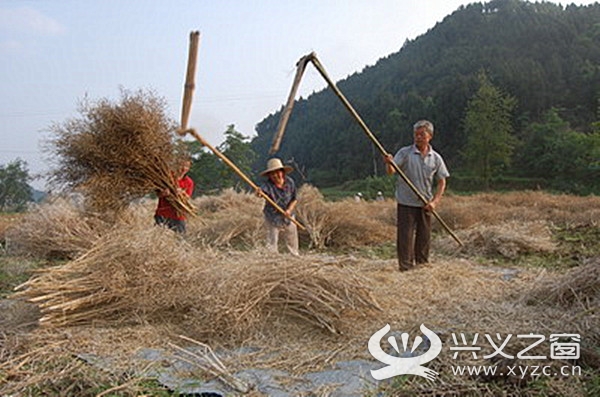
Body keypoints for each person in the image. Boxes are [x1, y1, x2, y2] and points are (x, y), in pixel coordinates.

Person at [384, 120, 449, 271]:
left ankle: (422, 267)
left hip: (425, 204)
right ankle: (405, 268)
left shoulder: (436, 158)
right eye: (416, 134)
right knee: (405, 238)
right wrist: (388, 162)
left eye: (422, 134)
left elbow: (441, 182)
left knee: (424, 237)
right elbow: (391, 171)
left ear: (430, 136)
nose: (418, 137)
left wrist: (435, 202)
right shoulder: (405, 153)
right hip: (406, 203)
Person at [259, 158, 299, 256]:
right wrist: (259, 192)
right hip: (272, 215)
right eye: (272, 174)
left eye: (277, 172)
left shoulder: (290, 182)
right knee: (272, 239)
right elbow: (261, 192)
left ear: (282, 172)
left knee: (291, 237)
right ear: (269, 175)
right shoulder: (267, 185)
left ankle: (294, 256)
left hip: (288, 215)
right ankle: (272, 258)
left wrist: (289, 210)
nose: (275, 175)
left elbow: (294, 199)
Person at [154, 159, 194, 234]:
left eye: (187, 166)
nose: (184, 168)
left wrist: (181, 193)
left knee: (180, 241)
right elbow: (158, 194)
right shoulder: (167, 177)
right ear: (177, 165)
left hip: (178, 216)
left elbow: (187, 198)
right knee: (159, 240)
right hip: (163, 214)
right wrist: (164, 193)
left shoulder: (189, 182)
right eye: (182, 165)